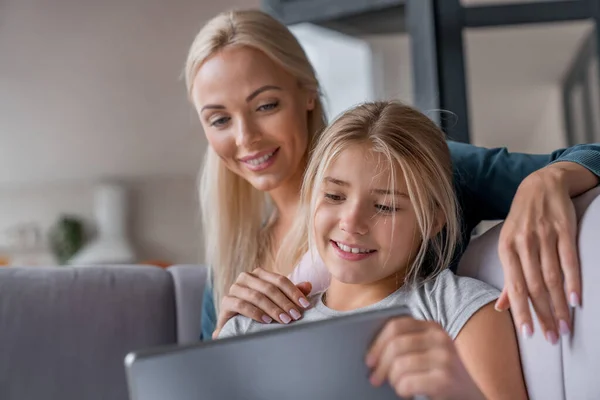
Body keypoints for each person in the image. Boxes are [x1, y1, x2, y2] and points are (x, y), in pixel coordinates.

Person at [184, 9, 600, 342]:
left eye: (266, 106)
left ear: (307, 91)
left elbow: (589, 156)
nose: (246, 138)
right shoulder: (231, 257)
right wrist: (227, 334)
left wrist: (549, 178)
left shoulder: (408, 165)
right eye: (219, 119)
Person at [219, 101, 528, 400]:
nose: (351, 223)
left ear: (433, 220)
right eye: (334, 196)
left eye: (385, 206)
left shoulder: (459, 310)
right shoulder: (250, 327)